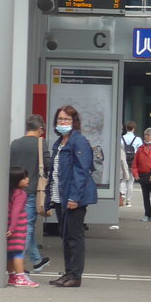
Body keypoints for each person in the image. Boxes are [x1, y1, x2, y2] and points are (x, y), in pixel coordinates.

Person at [47, 104, 99, 287]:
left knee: (74, 237)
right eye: (60, 119)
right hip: (60, 197)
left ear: (73, 121)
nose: (62, 122)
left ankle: (75, 275)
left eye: (66, 119)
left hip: (73, 198)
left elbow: (81, 171)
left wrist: (73, 198)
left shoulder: (79, 141)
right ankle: (68, 273)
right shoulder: (60, 142)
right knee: (66, 237)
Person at [9, 114, 50, 272]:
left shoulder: (15, 144)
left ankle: (37, 260)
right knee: (27, 227)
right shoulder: (41, 143)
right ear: (40, 129)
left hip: (14, 191)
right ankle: (17, 263)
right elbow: (47, 164)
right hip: (31, 191)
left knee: (24, 225)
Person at [6, 167, 39, 288]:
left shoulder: (8, 192)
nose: (28, 179)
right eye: (24, 178)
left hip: (9, 225)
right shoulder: (21, 194)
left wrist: (9, 227)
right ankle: (20, 276)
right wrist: (13, 228)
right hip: (17, 227)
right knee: (18, 252)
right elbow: (16, 211)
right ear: (16, 180)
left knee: (10, 252)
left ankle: (12, 275)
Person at [121, 122, 143, 208]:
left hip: (123, 161)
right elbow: (140, 152)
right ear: (134, 128)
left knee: (122, 179)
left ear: (126, 128)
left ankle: (122, 195)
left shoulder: (121, 138)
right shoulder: (138, 139)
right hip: (133, 162)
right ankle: (128, 201)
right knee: (130, 182)